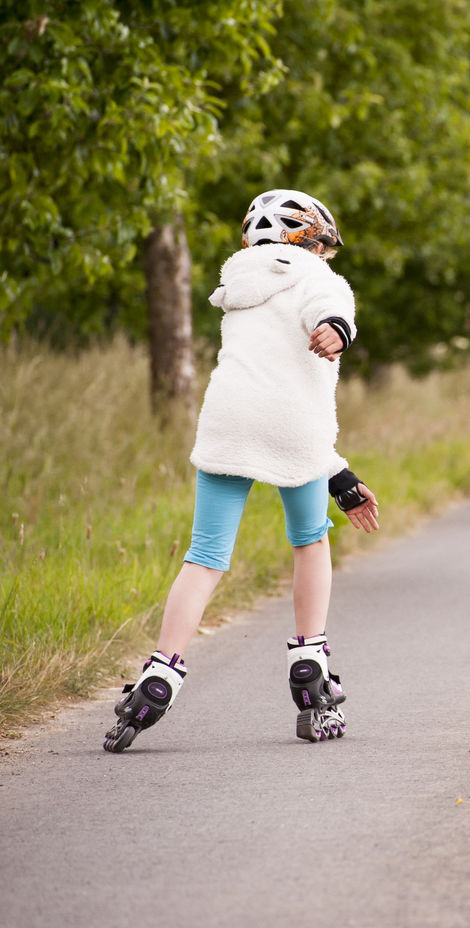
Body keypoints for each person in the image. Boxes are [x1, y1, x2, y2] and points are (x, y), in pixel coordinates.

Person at [103, 190, 381, 752]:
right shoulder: (318, 277)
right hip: (295, 431)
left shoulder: (238, 279)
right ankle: (309, 661)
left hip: (226, 421)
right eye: (325, 244)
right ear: (312, 238)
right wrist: (336, 329)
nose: (326, 255)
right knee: (309, 540)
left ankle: (162, 672)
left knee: (205, 554)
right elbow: (331, 313)